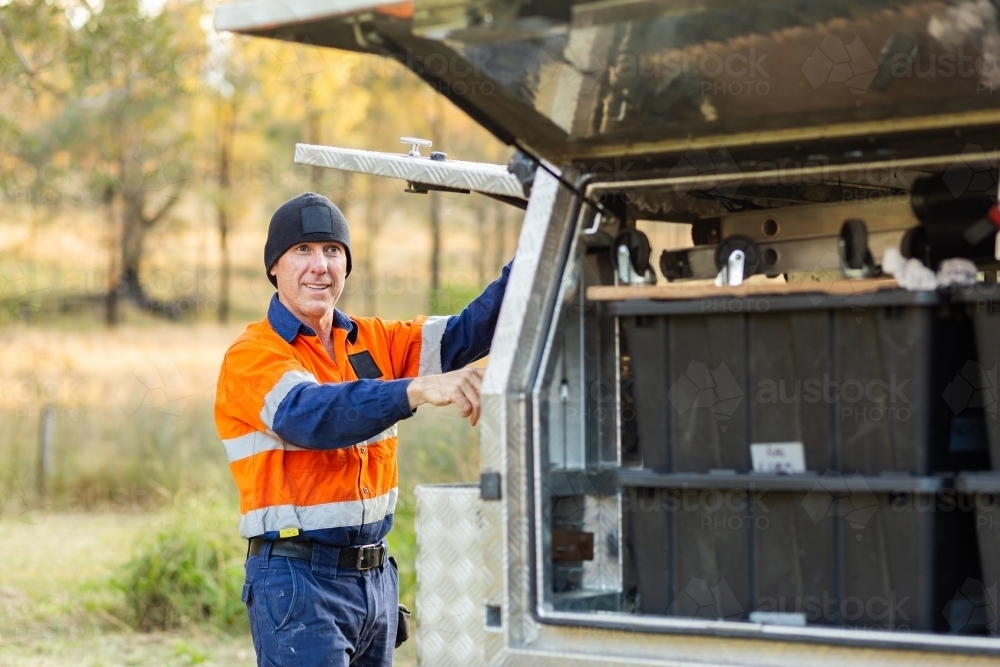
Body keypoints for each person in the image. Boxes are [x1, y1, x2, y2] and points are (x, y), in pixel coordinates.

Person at [214, 192, 510, 666]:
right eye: (303, 251)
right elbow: (311, 415)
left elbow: (468, 332)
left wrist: (541, 245)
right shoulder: (253, 355)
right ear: (274, 267)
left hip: (375, 579)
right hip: (298, 581)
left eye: (333, 251)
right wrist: (415, 389)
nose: (320, 266)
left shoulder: (374, 341)